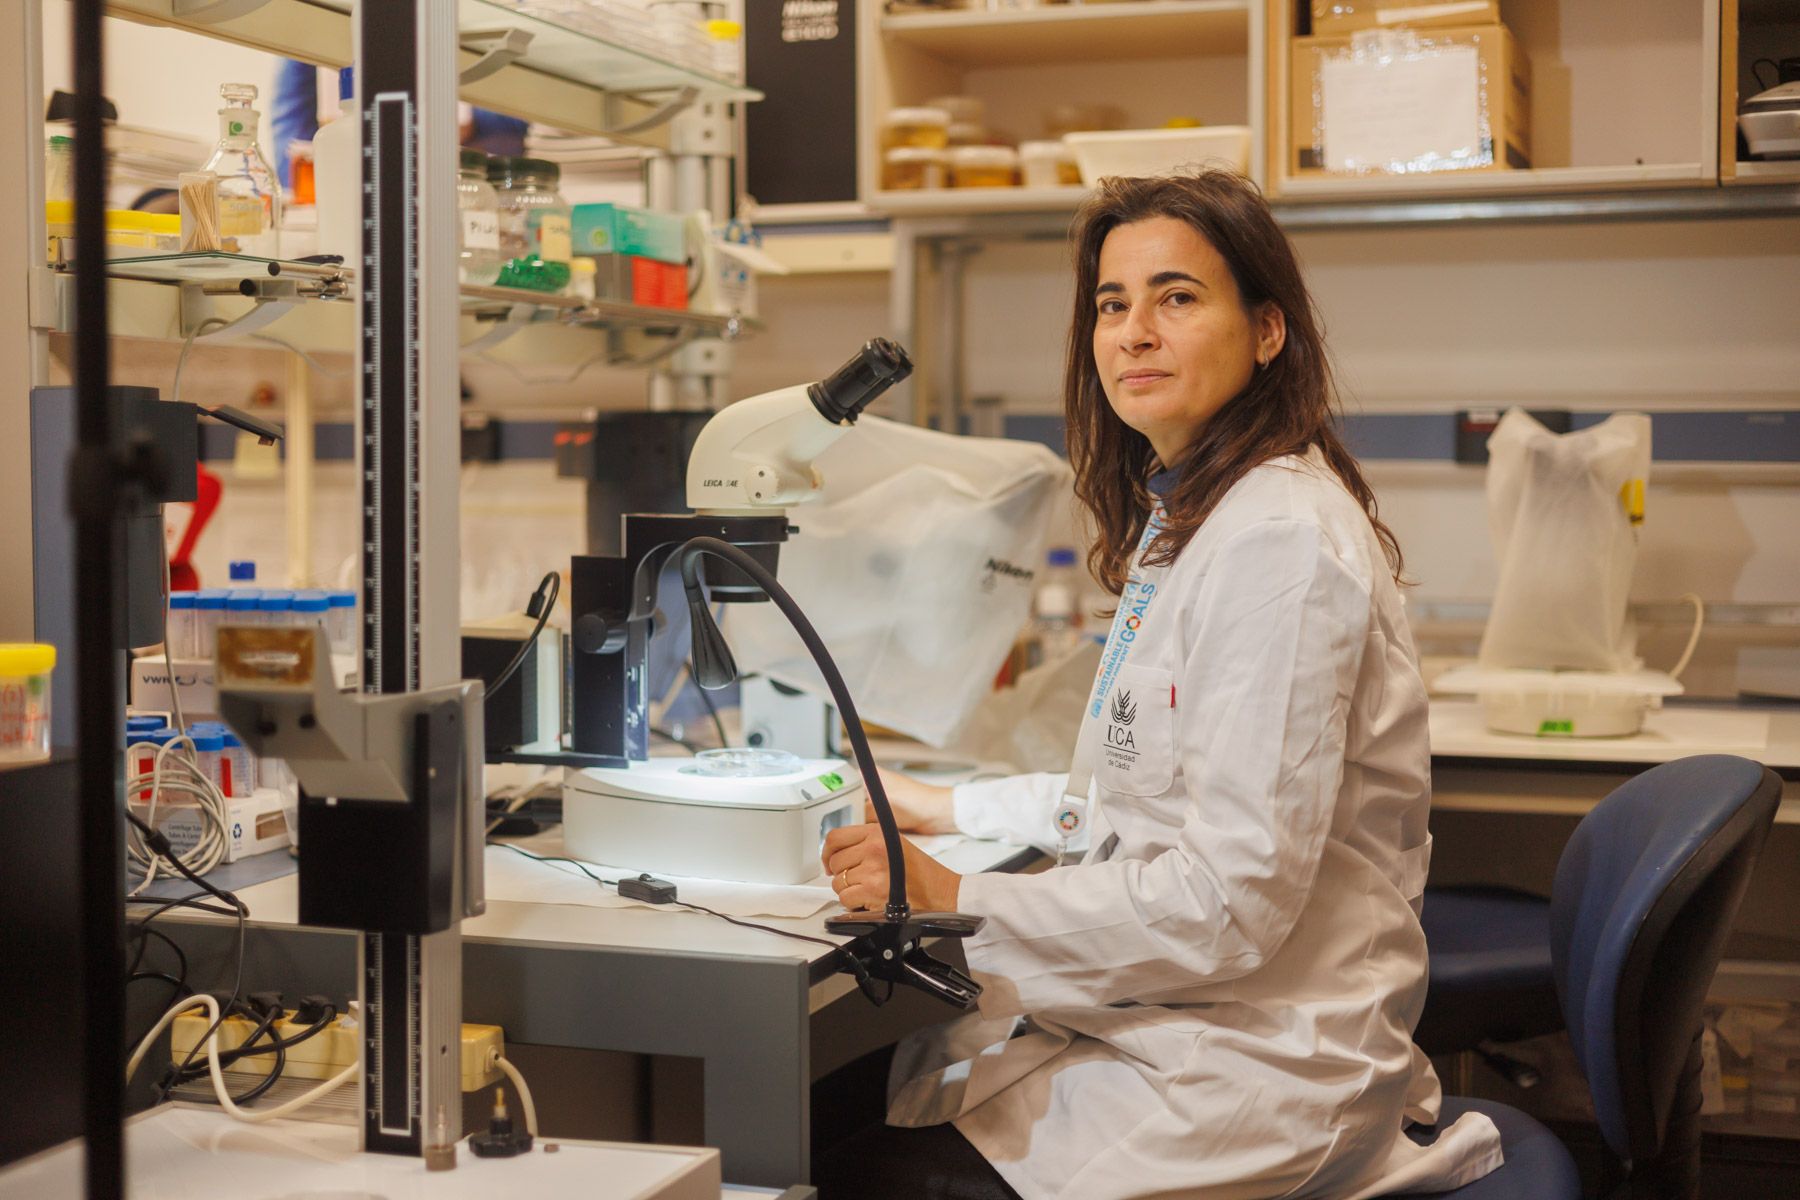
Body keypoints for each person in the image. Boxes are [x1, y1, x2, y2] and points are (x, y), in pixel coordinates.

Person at [814, 170, 1505, 1199]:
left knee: (841, 1149)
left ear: (1267, 330)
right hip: (1185, 1031)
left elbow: (1225, 902)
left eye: (1177, 297)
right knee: (842, 1105)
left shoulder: (1278, 542)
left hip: (1254, 1073)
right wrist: (950, 805)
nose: (1134, 330)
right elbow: (1143, 800)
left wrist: (958, 895)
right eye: (1111, 303)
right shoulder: (1197, 514)